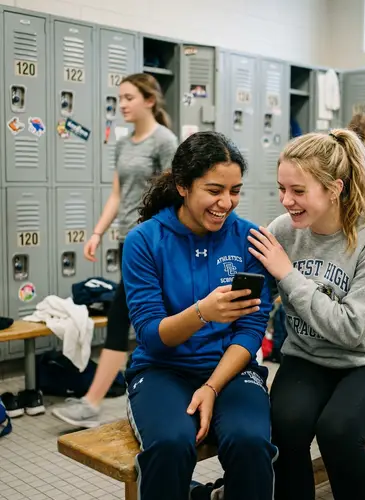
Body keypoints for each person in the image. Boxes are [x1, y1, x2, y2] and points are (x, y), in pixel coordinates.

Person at [247, 129, 365, 500]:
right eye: (282, 189)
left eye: (298, 191)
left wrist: (288, 273)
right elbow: (250, 300)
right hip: (307, 359)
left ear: (334, 188)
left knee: (339, 431)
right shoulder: (282, 231)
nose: (286, 201)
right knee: (286, 425)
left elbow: (351, 329)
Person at [122, 131, 277, 500]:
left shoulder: (249, 239)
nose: (226, 202)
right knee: (171, 444)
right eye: (214, 190)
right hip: (162, 370)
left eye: (235, 190)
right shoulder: (144, 241)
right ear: (182, 186)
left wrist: (212, 386)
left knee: (251, 441)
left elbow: (252, 329)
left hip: (231, 369)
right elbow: (151, 335)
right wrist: (202, 313)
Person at [52, 73, 179, 428]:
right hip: (128, 241)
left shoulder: (165, 141)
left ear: (149, 101)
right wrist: (97, 232)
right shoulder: (123, 144)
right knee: (133, 317)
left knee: (123, 315)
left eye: (128, 98)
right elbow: (117, 195)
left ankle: (92, 402)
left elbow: (175, 195)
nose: (121, 104)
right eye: (119, 98)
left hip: (154, 243)